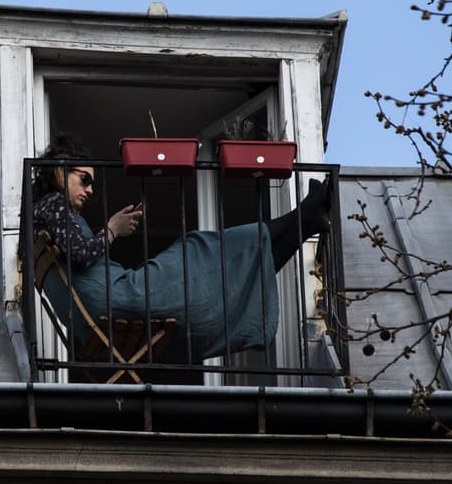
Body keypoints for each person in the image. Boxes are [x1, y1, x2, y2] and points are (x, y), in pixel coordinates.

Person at [31, 136, 330, 361]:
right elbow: (81, 254)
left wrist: (108, 232)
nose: (90, 190)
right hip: (123, 296)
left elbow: (77, 258)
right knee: (197, 251)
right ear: (60, 170)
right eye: (85, 179)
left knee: (207, 258)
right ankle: (305, 216)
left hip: (106, 305)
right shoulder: (54, 204)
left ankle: (306, 219)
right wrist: (112, 229)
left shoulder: (47, 214)